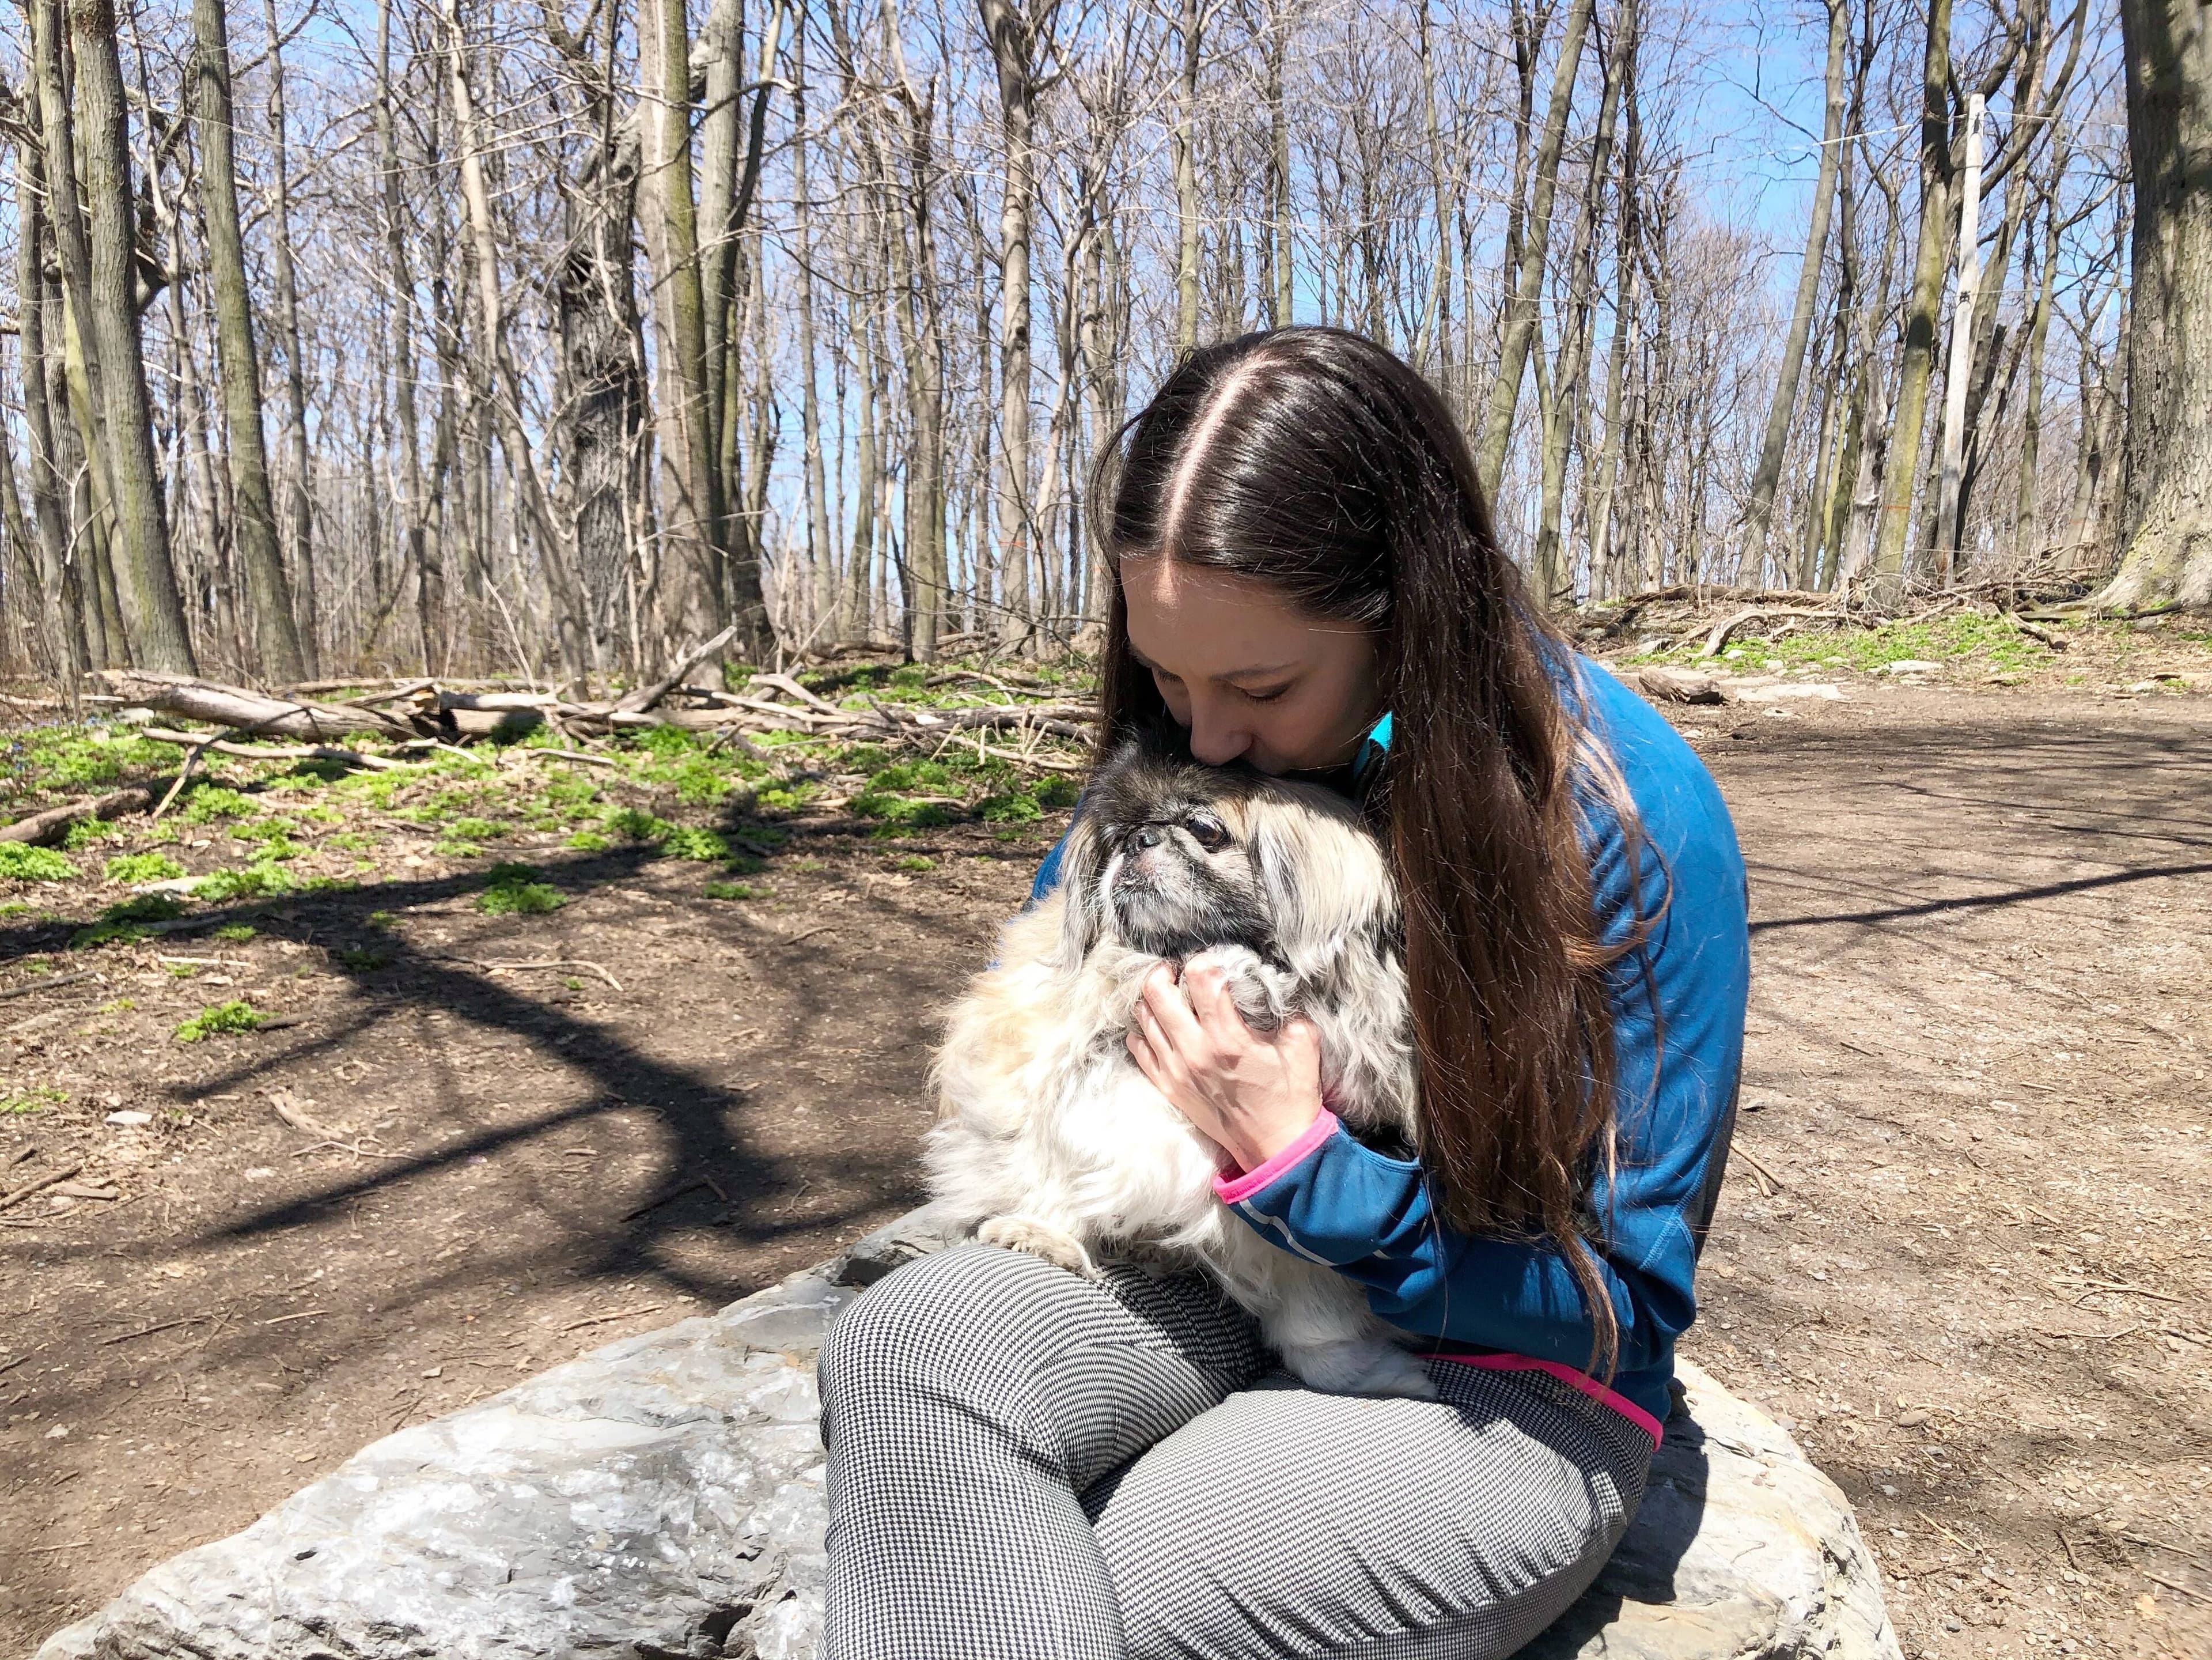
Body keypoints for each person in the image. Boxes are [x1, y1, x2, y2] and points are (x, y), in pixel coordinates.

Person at [817, 327, 1749, 1660]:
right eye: (1165, 676)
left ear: (1409, 612)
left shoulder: (1633, 822)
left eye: (1260, 685)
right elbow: (1055, 973)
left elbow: (1622, 1303)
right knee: (907, 1352)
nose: (1201, 736)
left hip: (1492, 1381)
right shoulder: (1187, 759)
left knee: (1095, 1601)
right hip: (1195, 1266)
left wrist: (1312, 1170)